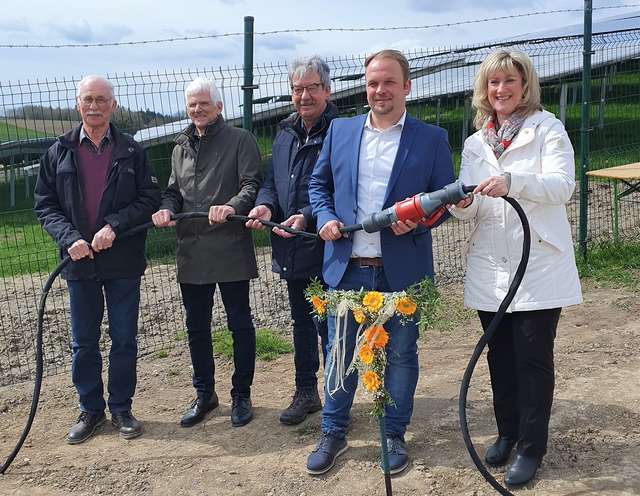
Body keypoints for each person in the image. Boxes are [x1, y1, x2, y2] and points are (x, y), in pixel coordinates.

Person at [307, 49, 455, 475]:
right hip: (347, 267)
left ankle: (393, 433)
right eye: (373, 83)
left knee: (403, 354)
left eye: (389, 82)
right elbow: (320, 185)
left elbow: (443, 199)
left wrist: (420, 222)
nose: (380, 90)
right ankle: (333, 431)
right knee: (341, 352)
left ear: (407, 86)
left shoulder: (430, 139)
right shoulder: (340, 130)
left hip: (402, 270)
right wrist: (328, 216)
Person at [449, 49, 582, 487]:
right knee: (498, 356)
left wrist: (514, 182)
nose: (501, 90)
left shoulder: (547, 129)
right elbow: (469, 210)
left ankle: (530, 446)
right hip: (491, 264)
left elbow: (564, 186)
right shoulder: (475, 142)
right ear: (484, 91)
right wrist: (463, 205)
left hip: (537, 262)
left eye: (509, 81)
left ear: (525, 85)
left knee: (532, 358)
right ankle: (506, 432)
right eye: (493, 83)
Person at [34, 75, 161, 444]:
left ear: (113, 106)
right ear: (77, 105)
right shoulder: (58, 151)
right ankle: (90, 410)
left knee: (123, 339)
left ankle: (121, 408)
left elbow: (149, 200)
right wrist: (70, 238)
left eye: (101, 99)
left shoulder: (132, 151)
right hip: (79, 263)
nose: (94, 106)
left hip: (122, 260)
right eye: (88, 99)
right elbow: (45, 205)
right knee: (83, 342)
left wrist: (114, 226)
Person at [152, 78, 261, 428]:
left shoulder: (240, 140)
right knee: (196, 327)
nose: (197, 110)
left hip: (229, 247)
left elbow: (250, 185)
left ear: (219, 106)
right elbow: (173, 190)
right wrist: (165, 209)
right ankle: (205, 394)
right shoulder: (180, 147)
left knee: (239, 324)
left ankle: (241, 394)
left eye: (203, 103)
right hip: (192, 250)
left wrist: (230, 206)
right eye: (192, 105)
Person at [246, 57, 334, 426]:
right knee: (301, 323)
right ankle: (305, 391)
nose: (304, 96)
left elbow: (339, 188)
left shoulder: (341, 131)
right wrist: (265, 205)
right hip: (290, 245)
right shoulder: (284, 133)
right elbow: (271, 181)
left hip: (327, 246)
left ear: (327, 91)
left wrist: (307, 216)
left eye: (312, 87)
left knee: (330, 324)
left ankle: (336, 396)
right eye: (297, 89)